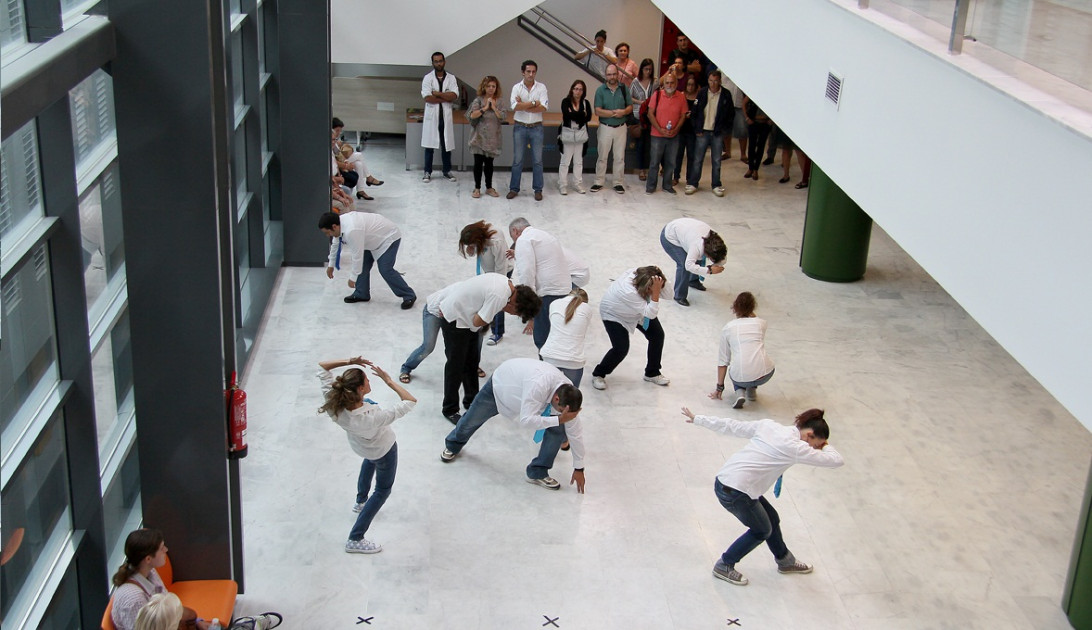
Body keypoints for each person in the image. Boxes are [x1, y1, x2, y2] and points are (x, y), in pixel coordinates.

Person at [681, 406, 844, 586]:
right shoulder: (796, 448)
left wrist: (699, 419)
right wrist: (826, 445)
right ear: (809, 435)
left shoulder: (770, 426)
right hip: (737, 492)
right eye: (815, 445)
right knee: (762, 530)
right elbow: (837, 461)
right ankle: (724, 565)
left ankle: (785, 560)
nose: (814, 449)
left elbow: (732, 426)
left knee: (771, 518)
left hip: (726, 481)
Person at [441, 358, 586, 493]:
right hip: (500, 388)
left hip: (525, 394)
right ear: (556, 399)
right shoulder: (539, 385)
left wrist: (579, 468)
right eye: (560, 411)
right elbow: (526, 420)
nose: (563, 415)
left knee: (558, 430)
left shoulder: (568, 396)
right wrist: (558, 419)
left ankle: (537, 472)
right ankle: (453, 444)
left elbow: (575, 432)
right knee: (473, 419)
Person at [318, 356, 416, 554]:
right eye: (367, 380)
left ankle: (361, 500)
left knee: (370, 461)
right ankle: (355, 537)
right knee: (382, 490)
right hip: (384, 450)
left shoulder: (335, 403)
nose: (370, 381)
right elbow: (409, 401)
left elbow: (322, 368)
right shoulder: (371, 418)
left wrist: (349, 362)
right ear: (361, 389)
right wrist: (389, 381)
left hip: (362, 446)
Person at [396, 274, 540, 407]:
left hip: (460, 318)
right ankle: (448, 407)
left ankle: (471, 401)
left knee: (471, 360)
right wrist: (486, 317)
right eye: (517, 313)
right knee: (445, 358)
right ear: (516, 304)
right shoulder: (500, 297)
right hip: (442, 313)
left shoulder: (505, 284)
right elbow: (477, 322)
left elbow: (478, 321)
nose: (513, 314)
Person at [110, 529, 211, 630]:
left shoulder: (150, 571)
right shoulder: (134, 599)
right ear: (148, 559)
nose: (166, 550)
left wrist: (197, 622)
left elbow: (169, 607)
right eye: (161, 548)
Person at [590, 266, 670, 390]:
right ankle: (598, 374)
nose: (656, 290)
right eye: (652, 289)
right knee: (621, 348)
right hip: (614, 314)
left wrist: (660, 279)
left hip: (636, 312)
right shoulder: (628, 291)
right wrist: (655, 293)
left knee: (657, 335)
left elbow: (670, 295)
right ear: (645, 287)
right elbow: (650, 314)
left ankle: (652, 373)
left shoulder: (642, 277)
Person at [319, 211, 416, 309]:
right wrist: (331, 265)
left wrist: (353, 278)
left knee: (385, 269)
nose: (328, 235)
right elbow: (335, 244)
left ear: (334, 226)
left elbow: (357, 257)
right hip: (369, 238)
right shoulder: (339, 224)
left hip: (388, 236)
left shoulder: (352, 230)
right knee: (363, 266)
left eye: (327, 232)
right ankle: (362, 294)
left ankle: (409, 295)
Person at [509, 218, 571, 349]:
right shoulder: (545, 235)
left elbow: (526, 271)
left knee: (543, 340)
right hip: (565, 290)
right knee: (558, 337)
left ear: (515, 231)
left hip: (548, 293)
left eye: (512, 237)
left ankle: (546, 362)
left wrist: (528, 301)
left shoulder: (523, 240)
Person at [711, 292, 775, 408]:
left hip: (741, 378)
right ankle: (751, 391)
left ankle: (740, 392)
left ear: (734, 307)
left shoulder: (728, 328)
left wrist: (719, 387)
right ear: (753, 307)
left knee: (737, 368)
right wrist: (748, 310)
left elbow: (723, 362)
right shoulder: (761, 323)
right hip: (765, 375)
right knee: (753, 357)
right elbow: (754, 317)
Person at [458, 220, 511, 346]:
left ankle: (497, 331)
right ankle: (487, 323)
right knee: (487, 298)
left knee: (498, 299)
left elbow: (501, 264)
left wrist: (499, 283)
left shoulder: (496, 241)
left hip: (502, 271)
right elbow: (480, 252)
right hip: (489, 272)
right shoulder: (479, 237)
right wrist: (472, 250)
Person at [686, 70, 734, 197]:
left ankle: (716, 184)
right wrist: (697, 129)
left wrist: (724, 131)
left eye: (715, 81)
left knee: (717, 160)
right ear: (708, 80)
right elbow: (694, 112)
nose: (713, 84)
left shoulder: (726, 95)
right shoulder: (702, 92)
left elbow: (730, 115)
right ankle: (693, 183)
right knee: (697, 159)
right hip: (703, 131)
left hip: (717, 132)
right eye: (711, 81)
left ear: (720, 81)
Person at [660, 217, 727, 306]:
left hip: (685, 231)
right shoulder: (696, 246)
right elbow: (688, 266)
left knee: (697, 257)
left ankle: (693, 281)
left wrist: (716, 265)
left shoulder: (717, 244)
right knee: (683, 264)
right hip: (669, 236)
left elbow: (722, 258)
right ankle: (679, 296)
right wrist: (709, 270)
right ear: (708, 254)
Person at [508, 60, 549, 200]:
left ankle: (538, 189)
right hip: (520, 127)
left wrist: (523, 105)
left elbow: (543, 107)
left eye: (533, 72)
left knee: (537, 161)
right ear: (523, 72)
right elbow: (515, 107)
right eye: (528, 71)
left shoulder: (541, 87)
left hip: (536, 127)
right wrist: (533, 103)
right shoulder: (516, 87)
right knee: (517, 160)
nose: (531, 74)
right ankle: (514, 188)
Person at [644, 74, 689, 195]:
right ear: (663, 84)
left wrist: (676, 129)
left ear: (676, 84)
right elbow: (650, 114)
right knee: (654, 162)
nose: (669, 85)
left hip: (673, 136)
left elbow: (683, 115)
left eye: (672, 82)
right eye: (667, 83)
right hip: (657, 135)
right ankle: (651, 186)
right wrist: (659, 129)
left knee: (671, 162)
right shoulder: (657, 95)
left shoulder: (681, 97)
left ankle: (667, 185)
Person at [591, 64, 632, 195]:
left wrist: (623, 112)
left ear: (618, 74)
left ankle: (618, 183)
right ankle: (599, 181)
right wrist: (615, 113)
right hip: (605, 128)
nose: (612, 77)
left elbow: (630, 107)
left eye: (614, 74)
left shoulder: (624, 89)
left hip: (621, 128)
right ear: (606, 75)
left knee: (619, 157)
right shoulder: (600, 90)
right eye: (609, 74)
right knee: (602, 157)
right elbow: (597, 111)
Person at [540, 288, 592, 387]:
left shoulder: (554, 304)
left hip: (549, 356)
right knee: (571, 394)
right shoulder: (587, 309)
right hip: (574, 360)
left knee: (547, 391)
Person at [421, 52, 458, 183]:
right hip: (432, 118)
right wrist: (445, 97)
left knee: (446, 146)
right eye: (436, 61)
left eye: (440, 61)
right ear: (433, 63)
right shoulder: (428, 78)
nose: (438, 63)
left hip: (445, 118)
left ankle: (447, 171)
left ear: (444, 62)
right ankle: (427, 172)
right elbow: (427, 98)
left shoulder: (451, 78)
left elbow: (454, 95)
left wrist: (437, 93)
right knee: (429, 146)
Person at [467, 76, 506, 198]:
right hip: (478, 138)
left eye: (493, 86)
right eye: (488, 86)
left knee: (489, 164)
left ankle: (489, 187)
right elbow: (472, 115)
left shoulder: (499, 102)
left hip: (492, 138)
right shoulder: (478, 100)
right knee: (478, 163)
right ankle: (477, 188)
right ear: (484, 87)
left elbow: (502, 117)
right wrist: (485, 108)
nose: (491, 88)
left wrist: (493, 107)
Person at [332, 117, 383, 200]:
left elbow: (339, 154)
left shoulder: (335, 140)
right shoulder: (331, 141)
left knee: (358, 164)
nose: (338, 133)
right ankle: (369, 178)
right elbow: (333, 160)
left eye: (339, 131)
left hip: (342, 161)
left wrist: (345, 160)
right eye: (337, 131)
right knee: (359, 155)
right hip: (338, 165)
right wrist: (345, 165)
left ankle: (360, 190)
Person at [558, 79, 591, 195]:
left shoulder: (586, 103)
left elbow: (588, 117)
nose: (578, 91)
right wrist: (581, 115)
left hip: (580, 134)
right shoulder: (566, 101)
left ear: (583, 91)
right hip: (568, 134)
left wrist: (574, 114)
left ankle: (577, 184)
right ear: (572, 90)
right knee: (565, 161)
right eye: (576, 89)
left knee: (578, 161)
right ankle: (562, 184)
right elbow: (567, 115)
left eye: (580, 89)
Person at [630, 58, 656, 182]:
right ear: (642, 69)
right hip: (638, 116)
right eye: (646, 69)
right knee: (640, 144)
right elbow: (629, 97)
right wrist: (641, 102)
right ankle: (641, 169)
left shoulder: (654, 82)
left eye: (650, 69)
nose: (648, 72)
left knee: (651, 144)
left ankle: (650, 168)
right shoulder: (635, 82)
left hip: (651, 116)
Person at [672, 74, 699, 187]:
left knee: (691, 155)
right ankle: (676, 176)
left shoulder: (698, 97)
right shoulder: (681, 96)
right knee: (678, 154)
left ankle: (689, 178)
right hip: (681, 129)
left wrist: (693, 115)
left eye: (692, 85)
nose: (690, 87)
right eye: (688, 84)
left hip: (692, 130)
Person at [742, 93, 772, 180]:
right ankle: (750, 168)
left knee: (761, 146)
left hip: (765, 123)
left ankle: (756, 169)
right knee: (751, 146)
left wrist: (772, 120)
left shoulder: (771, 95)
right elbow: (743, 103)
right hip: (754, 122)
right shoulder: (754, 92)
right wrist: (747, 118)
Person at [722, 74, 747, 162]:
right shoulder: (721, 69)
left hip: (739, 104)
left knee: (742, 130)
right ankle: (728, 152)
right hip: (725, 104)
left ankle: (743, 154)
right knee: (726, 130)